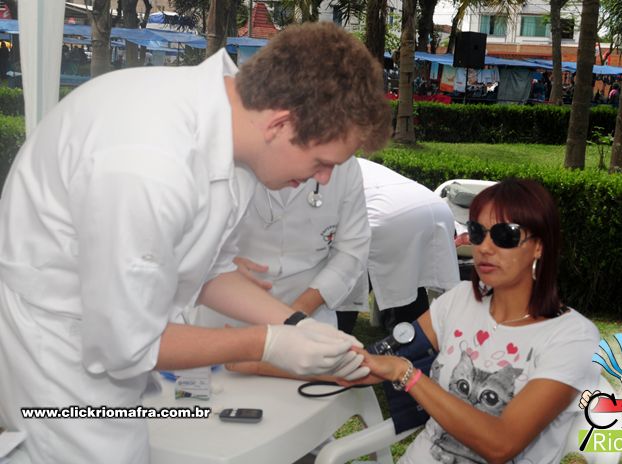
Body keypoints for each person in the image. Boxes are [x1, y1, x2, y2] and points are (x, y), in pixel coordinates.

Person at [0, 23, 391, 464]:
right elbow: (127, 347)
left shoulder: (233, 133)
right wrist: (267, 344)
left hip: (117, 339)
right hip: (59, 352)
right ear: (281, 123)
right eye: (322, 163)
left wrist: (298, 325)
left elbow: (210, 269)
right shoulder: (147, 166)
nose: (325, 179)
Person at [347, 179, 600, 464]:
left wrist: (407, 374)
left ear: (539, 246)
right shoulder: (460, 300)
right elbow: (389, 353)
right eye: (478, 233)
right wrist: (329, 358)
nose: (485, 247)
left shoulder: (573, 338)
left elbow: (501, 444)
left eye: (505, 235)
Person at [194, 156, 370, 334]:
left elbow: (352, 249)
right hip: (224, 310)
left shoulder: (346, 167)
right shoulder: (221, 159)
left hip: (309, 316)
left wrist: (297, 313)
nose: (324, 177)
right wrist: (216, 262)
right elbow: (192, 245)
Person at [358, 159, 460, 330]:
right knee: (411, 275)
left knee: (347, 286)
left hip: (391, 216)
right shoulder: (356, 163)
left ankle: (333, 331)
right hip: (437, 209)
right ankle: (414, 334)